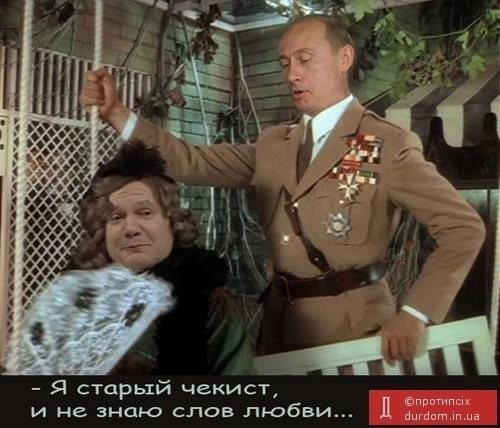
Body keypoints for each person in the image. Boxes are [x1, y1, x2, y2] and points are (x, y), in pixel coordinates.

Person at [79, 15, 485, 364]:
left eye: (305, 60)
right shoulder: (274, 145)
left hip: (353, 333)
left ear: (344, 59)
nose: (292, 74)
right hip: (279, 327)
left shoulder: (385, 144)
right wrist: (117, 113)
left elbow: (463, 228)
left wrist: (416, 313)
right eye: (286, 63)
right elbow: (190, 161)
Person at [69, 141, 254, 374]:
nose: (130, 228)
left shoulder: (213, 307)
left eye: (145, 213)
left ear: (173, 223)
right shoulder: (73, 302)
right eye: (116, 217)